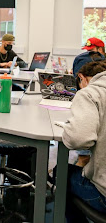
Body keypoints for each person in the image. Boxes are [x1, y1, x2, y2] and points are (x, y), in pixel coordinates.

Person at [62, 61, 106, 222]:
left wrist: (68, 128)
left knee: (61, 173)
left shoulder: (89, 93)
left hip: (103, 194)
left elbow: (79, 140)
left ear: (81, 78)